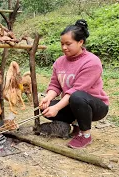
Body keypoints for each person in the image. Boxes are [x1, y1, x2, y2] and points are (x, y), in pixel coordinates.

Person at [39, 19, 109, 149]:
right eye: (62, 44)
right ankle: (76, 125)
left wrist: (57, 108)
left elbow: (75, 91)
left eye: (68, 44)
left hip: (95, 106)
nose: (64, 47)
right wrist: (48, 98)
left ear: (80, 42)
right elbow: (55, 85)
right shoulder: (60, 62)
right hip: (73, 103)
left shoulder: (92, 62)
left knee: (77, 96)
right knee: (44, 108)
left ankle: (85, 136)